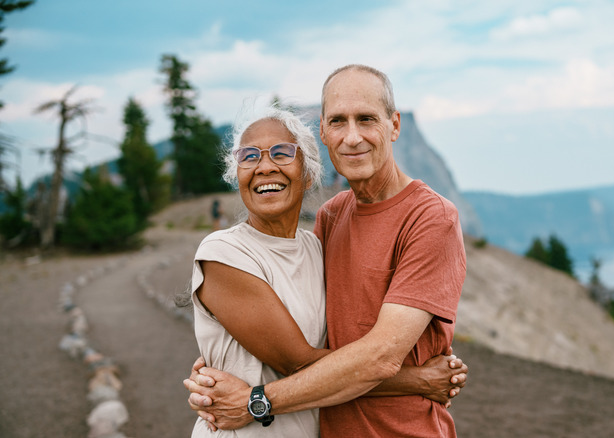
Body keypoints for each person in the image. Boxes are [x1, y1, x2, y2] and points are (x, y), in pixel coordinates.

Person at [185, 64, 468, 437]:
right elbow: (303, 356)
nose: (352, 137)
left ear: (395, 125)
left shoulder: (431, 218)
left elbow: (378, 356)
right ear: (324, 131)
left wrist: (255, 398)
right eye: (338, 121)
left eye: (366, 119)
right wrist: (417, 379)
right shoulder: (332, 218)